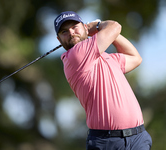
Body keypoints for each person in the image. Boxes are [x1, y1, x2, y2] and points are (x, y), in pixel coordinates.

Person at [54, 11, 152, 150]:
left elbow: (135, 58)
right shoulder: (75, 56)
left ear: (84, 28)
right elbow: (115, 27)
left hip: (138, 138)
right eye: (64, 31)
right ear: (59, 40)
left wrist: (96, 31)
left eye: (75, 27)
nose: (71, 32)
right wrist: (98, 26)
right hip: (108, 142)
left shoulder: (107, 58)